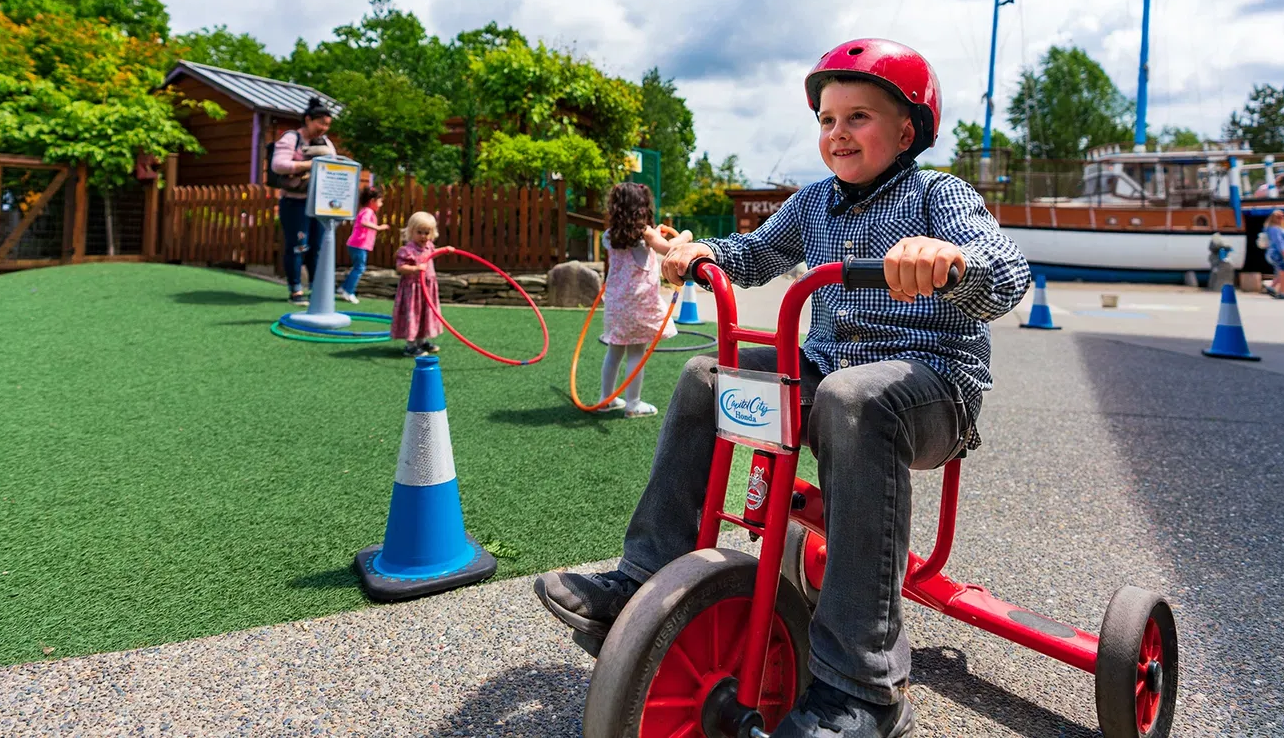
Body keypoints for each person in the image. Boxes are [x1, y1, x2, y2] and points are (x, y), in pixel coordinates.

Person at [534, 39, 1030, 738]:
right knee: (710, 373)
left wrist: (950, 260)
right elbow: (757, 251)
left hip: (931, 388)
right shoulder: (814, 202)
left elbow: (1006, 271)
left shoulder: (938, 194)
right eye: (826, 120)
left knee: (853, 398)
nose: (837, 133)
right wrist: (705, 251)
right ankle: (643, 579)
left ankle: (864, 686)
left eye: (858, 117)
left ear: (907, 130)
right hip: (829, 373)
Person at [600, 182, 689, 418]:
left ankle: (605, 398)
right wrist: (686, 235)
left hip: (616, 303)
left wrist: (654, 234)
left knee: (615, 350)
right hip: (638, 303)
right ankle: (633, 403)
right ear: (641, 207)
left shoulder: (608, 236)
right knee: (637, 351)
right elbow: (669, 247)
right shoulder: (645, 233)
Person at [271, 98, 338, 305]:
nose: (323, 129)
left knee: (317, 248)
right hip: (295, 202)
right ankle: (295, 290)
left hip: (319, 204)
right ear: (308, 120)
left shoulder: (326, 142)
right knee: (298, 245)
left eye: (327, 125)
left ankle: (317, 289)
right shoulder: (292, 138)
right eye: (320, 123)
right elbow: (278, 165)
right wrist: (310, 165)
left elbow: (334, 163)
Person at [391, 210, 443, 357]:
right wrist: (416, 268)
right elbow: (400, 268)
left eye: (427, 232)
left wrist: (445, 250)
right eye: (419, 232)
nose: (423, 236)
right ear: (411, 231)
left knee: (425, 315)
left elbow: (433, 253)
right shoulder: (407, 250)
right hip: (413, 290)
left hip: (428, 288)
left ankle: (422, 341)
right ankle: (411, 346)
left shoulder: (429, 246)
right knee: (413, 315)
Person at [340, 185, 388, 303]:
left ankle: (343, 288)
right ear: (372, 201)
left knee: (357, 267)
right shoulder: (368, 211)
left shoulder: (366, 211)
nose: (381, 204)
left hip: (356, 245)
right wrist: (378, 227)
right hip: (358, 245)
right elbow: (363, 222)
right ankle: (348, 292)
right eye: (380, 201)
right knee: (359, 268)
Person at [1264, 208, 1284, 299]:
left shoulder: (1279, 228)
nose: (1281, 218)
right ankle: (1282, 292)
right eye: (1278, 217)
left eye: (1282, 216)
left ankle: (1275, 288)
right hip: (1279, 253)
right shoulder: (1274, 229)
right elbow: (1279, 242)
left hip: (1283, 252)